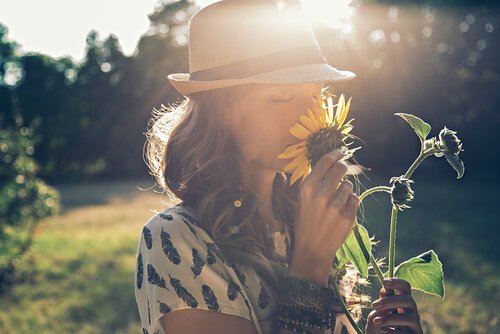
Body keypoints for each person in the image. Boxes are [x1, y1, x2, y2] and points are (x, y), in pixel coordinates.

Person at [134, 1, 424, 334]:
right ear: (222, 112)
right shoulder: (177, 239)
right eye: (281, 99)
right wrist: (311, 264)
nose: (309, 117)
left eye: (316, 95)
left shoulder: (296, 221)